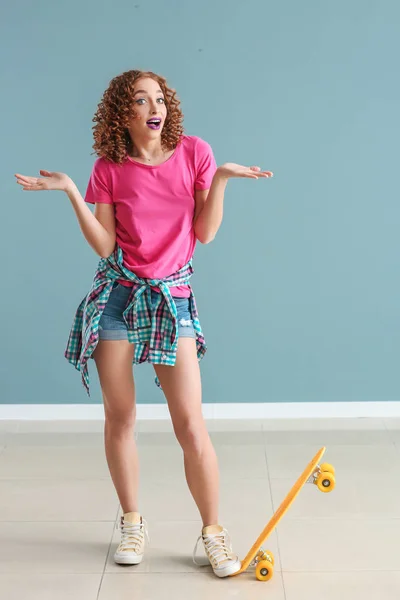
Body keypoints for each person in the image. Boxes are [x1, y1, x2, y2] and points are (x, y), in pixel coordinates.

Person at [14, 69, 273, 578]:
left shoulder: (194, 152)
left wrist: (219, 178)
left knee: (190, 424)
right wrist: (70, 190)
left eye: (159, 97)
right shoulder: (108, 168)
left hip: (170, 298)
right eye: (140, 99)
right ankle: (132, 521)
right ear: (122, 113)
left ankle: (213, 534)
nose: (154, 106)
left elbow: (206, 232)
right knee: (121, 418)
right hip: (117, 296)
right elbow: (107, 246)